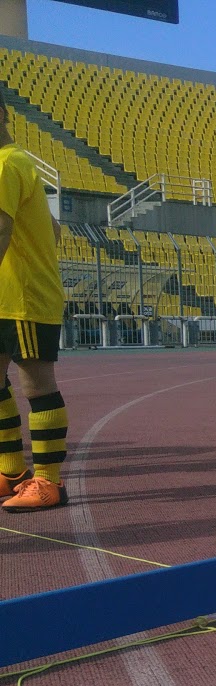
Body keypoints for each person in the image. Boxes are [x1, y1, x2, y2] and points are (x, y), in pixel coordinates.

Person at [0, 103, 70, 511]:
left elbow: (2, 228)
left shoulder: (7, 164)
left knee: (37, 385)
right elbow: (54, 229)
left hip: (25, 296)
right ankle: (11, 471)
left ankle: (48, 482)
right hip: (8, 293)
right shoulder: (18, 164)